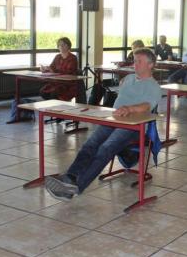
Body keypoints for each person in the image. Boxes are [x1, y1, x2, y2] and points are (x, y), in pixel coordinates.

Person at [45, 48, 163, 201]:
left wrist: (129, 109)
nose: (135, 64)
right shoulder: (128, 79)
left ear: (150, 64)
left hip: (134, 126)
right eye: (134, 61)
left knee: (106, 148)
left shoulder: (153, 86)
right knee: (90, 143)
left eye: (139, 61)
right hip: (113, 119)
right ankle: (70, 177)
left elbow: (147, 105)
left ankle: (75, 188)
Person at [39, 37, 78, 101]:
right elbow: (51, 67)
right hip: (56, 82)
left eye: (64, 44)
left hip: (67, 83)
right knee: (42, 91)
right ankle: (51, 108)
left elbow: (69, 73)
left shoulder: (73, 58)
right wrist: (44, 69)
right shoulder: (57, 57)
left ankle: (56, 108)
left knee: (54, 93)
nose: (61, 46)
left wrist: (53, 71)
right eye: (60, 45)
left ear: (68, 46)